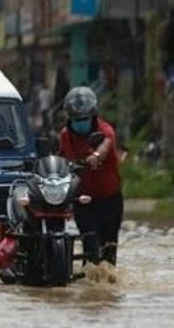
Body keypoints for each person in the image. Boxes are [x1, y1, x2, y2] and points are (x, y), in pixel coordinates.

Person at [58, 86, 123, 267]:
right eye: (76, 120)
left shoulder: (104, 129)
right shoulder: (65, 136)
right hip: (83, 199)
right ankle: (91, 285)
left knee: (109, 247)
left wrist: (95, 156)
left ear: (93, 116)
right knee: (91, 244)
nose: (81, 123)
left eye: (84, 119)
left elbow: (106, 144)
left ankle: (107, 288)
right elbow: (62, 160)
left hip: (110, 198)